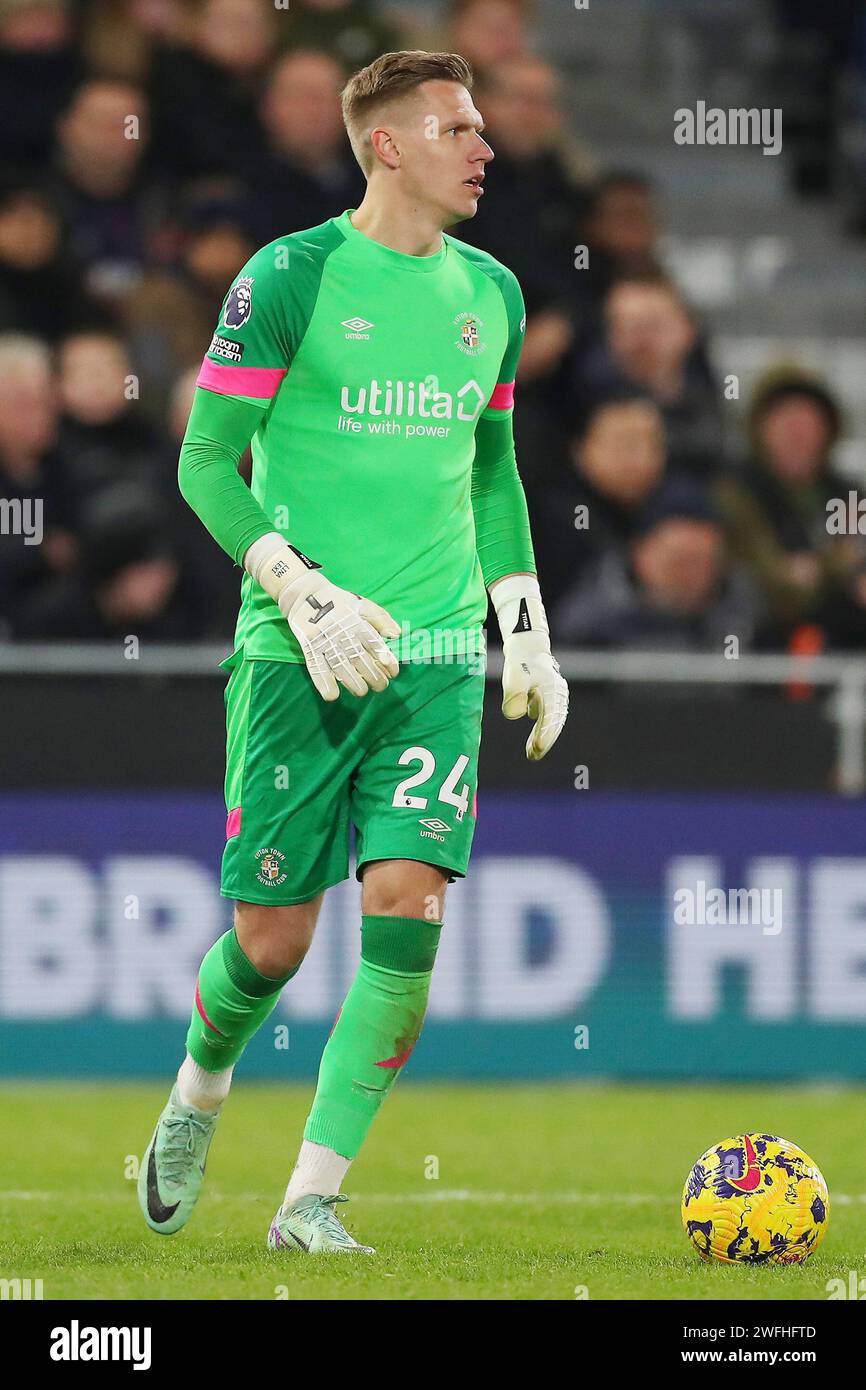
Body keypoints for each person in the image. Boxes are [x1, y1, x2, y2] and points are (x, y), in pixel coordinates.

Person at [137, 49, 568, 1256]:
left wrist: (521, 629)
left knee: (406, 906)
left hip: (432, 657)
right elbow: (204, 462)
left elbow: (490, 469)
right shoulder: (289, 275)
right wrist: (301, 589)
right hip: (298, 651)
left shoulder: (494, 292)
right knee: (271, 941)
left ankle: (307, 1200)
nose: (484, 148)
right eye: (457, 128)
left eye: (482, 127)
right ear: (386, 144)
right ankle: (198, 1092)